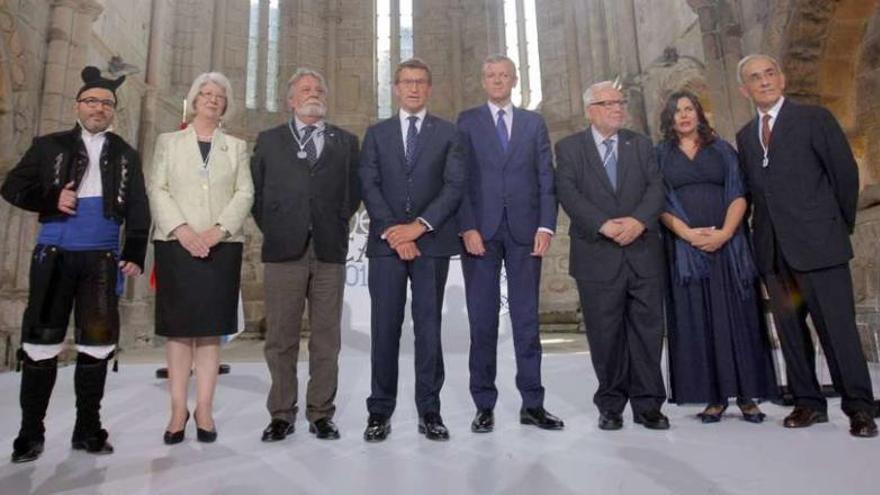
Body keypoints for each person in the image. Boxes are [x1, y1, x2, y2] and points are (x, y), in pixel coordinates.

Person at [2, 67, 150, 462]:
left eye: (106, 103)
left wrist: (134, 252)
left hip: (102, 261)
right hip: (54, 257)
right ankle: (29, 434)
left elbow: (138, 207)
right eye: (92, 101)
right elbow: (12, 186)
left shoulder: (125, 153)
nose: (99, 108)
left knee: (97, 345)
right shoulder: (48, 145)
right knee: (39, 344)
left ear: (113, 111)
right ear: (77, 106)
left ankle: (87, 429)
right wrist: (52, 200)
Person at [735, 54, 878, 437]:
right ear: (744, 89)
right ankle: (807, 402)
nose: (764, 81)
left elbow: (844, 177)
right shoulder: (746, 136)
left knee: (837, 330)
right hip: (774, 253)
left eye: (769, 74)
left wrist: (835, 227)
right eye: (754, 77)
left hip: (820, 247)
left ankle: (859, 408)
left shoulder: (814, 119)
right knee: (791, 333)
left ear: (781, 79)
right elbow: (753, 193)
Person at [251, 68, 360, 442]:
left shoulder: (346, 142)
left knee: (326, 337)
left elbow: (353, 192)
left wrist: (332, 222)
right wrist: (282, 227)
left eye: (319, 88)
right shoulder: (269, 141)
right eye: (305, 89)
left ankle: (321, 413)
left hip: (329, 250)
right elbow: (258, 195)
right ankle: (281, 413)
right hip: (284, 250)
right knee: (281, 337)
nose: (314, 93)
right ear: (291, 100)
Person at [359, 58, 464, 442]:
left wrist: (417, 229)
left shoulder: (449, 133)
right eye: (407, 82)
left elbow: (454, 186)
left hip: (431, 244)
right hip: (387, 247)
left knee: (429, 329)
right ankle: (379, 411)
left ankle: (430, 410)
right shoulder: (376, 133)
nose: (414, 88)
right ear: (396, 89)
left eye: (421, 82)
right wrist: (394, 232)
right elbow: (368, 184)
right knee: (384, 329)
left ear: (429, 89)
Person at [457, 54, 563, 433]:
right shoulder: (467, 121)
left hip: (524, 233)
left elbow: (546, 178)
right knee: (482, 322)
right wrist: (466, 226)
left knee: (526, 321)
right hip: (480, 234)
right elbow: (460, 178)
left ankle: (532, 403)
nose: (498, 80)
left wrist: (546, 226)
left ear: (514, 80)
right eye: (491, 75)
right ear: (483, 81)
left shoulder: (534, 123)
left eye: (504, 75)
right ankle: (483, 405)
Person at [657, 90, 777, 423]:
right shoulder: (660, 156)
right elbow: (660, 201)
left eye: (689, 109)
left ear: (699, 113)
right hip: (685, 248)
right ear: (669, 118)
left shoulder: (722, 149)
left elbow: (739, 192)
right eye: (677, 111)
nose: (683, 115)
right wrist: (687, 234)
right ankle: (713, 396)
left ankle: (747, 395)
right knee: (697, 318)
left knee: (738, 316)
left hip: (728, 245)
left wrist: (724, 233)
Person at [555, 81, 669, 431]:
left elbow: (656, 187)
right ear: (590, 110)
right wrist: (603, 225)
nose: (618, 108)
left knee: (648, 332)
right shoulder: (570, 147)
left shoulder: (641, 144)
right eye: (608, 104)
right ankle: (611, 404)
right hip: (597, 252)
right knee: (605, 335)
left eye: (620, 102)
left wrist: (637, 221)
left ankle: (649, 404)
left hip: (642, 250)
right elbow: (568, 192)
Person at [148, 72, 254, 444]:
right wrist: (183, 231)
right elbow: (157, 187)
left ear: (226, 105)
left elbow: (245, 193)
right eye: (205, 94)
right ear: (194, 101)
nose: (212, 99)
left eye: (219, 96)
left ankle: (204, 408)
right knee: (178, 331)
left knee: (210, 330)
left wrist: (217, 231)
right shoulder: (169, 142)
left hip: (221, 246)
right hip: (176, 244)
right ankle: (178, 409)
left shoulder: (237, 147)